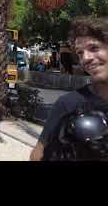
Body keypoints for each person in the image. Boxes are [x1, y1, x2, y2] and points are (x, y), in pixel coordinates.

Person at [30, 17, 108, 161]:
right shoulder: (68, 104)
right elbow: (37, 155)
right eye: (80, 53)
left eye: (94, 48)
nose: (86, 58)